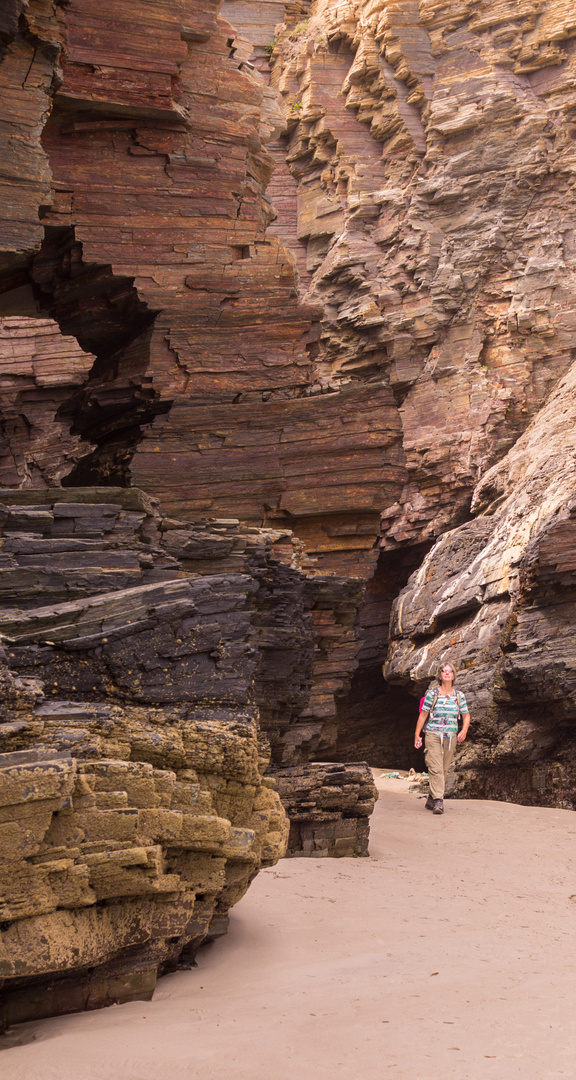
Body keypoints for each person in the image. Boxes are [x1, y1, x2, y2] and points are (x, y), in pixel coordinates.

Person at [414, 662, 470, 815]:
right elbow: (423, 715)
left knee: (443, 770)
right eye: (444, 671)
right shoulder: (432, 695)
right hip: (433, 735)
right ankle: (439, 801)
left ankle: (431, 797)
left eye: (450, 671)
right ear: (440, 676)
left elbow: (466, 716)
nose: (447, 673)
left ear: (453, 676)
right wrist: (417, 735)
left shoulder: (459, 696)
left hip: (451, 737)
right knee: (436, 767)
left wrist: (463, 730)